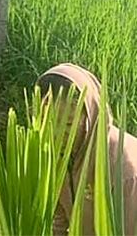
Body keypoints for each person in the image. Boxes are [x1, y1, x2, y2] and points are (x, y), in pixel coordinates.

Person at [37, 63, 137, 235]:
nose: (57, 134)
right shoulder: (54, 152)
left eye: (69, 124)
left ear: (91, 116)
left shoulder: (124, 170)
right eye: (50, 121)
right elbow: (58, 215)